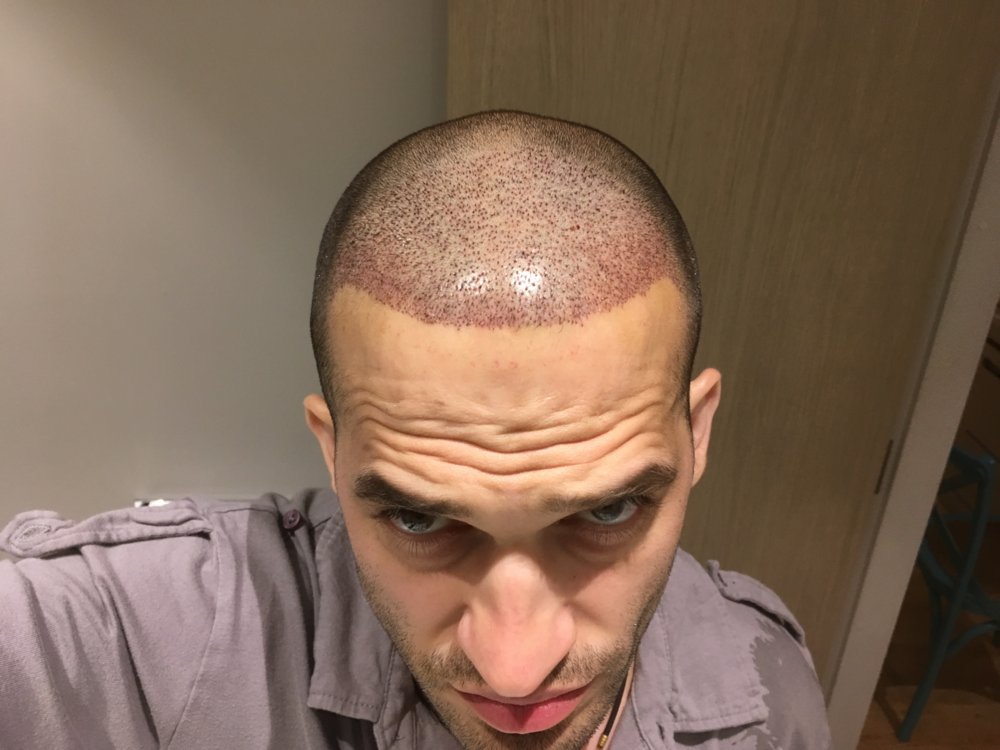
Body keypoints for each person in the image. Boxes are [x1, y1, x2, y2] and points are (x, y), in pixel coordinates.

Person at [0, 111, 832, 749]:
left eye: (606, 512)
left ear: (696, 434)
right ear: (334, 450)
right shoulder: (150, 637)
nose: (515, 670)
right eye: (419, 519)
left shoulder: (767, 695)